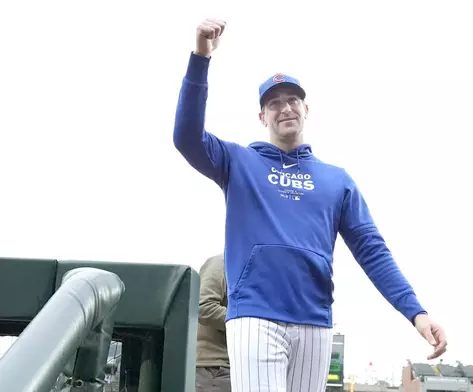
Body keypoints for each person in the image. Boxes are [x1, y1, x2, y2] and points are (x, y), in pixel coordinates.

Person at [174, 17, 448, 392]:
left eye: (292, 100)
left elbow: (373, 251)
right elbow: (186, 136)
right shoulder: (238, 162)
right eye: (273, 103)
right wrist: (200, 57)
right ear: (262, 116)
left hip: (315, 320)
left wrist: (416, 312)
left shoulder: (337, 180)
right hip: (255, 315)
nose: (284, 108)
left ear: (306, 108)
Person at [196, 255, 231, 392]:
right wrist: (243, 323)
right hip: (213, 369)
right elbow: (203, 306)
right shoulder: (221, 263)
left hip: (232, 368)